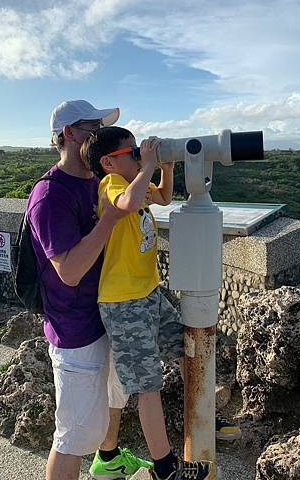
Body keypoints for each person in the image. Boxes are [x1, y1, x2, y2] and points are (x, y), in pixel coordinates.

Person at [81, 126, 216, 480]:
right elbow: (126, 204)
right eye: (133, 153)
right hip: (123, 303)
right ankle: (165, 468)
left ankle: (204, 417)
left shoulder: (136, 183)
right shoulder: (111, 186)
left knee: (186, 351)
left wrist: (165, 169)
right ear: (109, 162)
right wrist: (149, 164)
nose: (140, 156)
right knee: (146, 386)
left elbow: (165, 198)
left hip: (148, 294)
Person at [27, 100, 152, 480]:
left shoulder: (97, 182)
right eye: (92, 129)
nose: (98, 138)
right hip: (76, 331)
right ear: (68, 134)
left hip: (109, 312)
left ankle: (108, 463)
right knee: (72, 436)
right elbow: (70, 270)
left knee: (112, 401)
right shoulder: (51, 195)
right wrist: (110, 219)